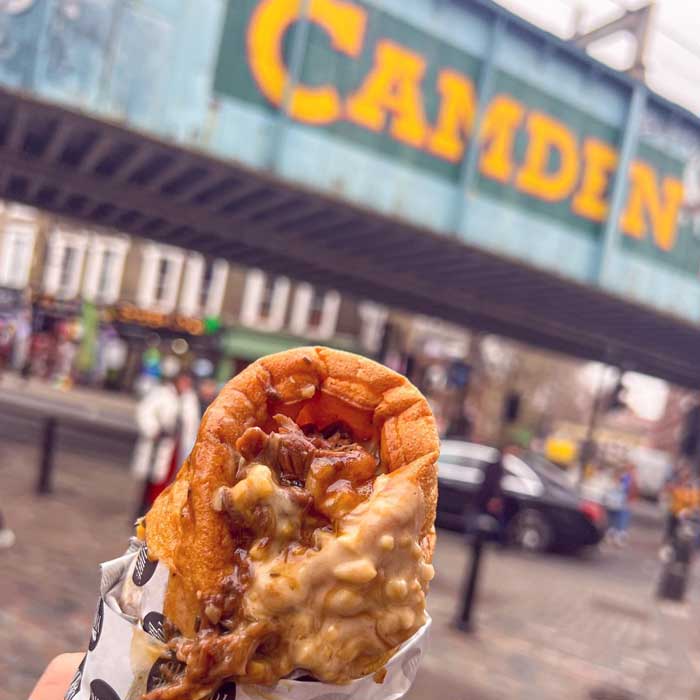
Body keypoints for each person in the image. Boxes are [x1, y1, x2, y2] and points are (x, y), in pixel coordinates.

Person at [132, 371, 201, 517]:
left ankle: (157, 515)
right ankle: (142, 511)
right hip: (158, 445)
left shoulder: (189, 399)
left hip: (177, 447)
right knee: (151, 480)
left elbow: (192, 424)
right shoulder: (161, 394)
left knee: (169, 482)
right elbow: (145, 412)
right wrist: (154, 429)